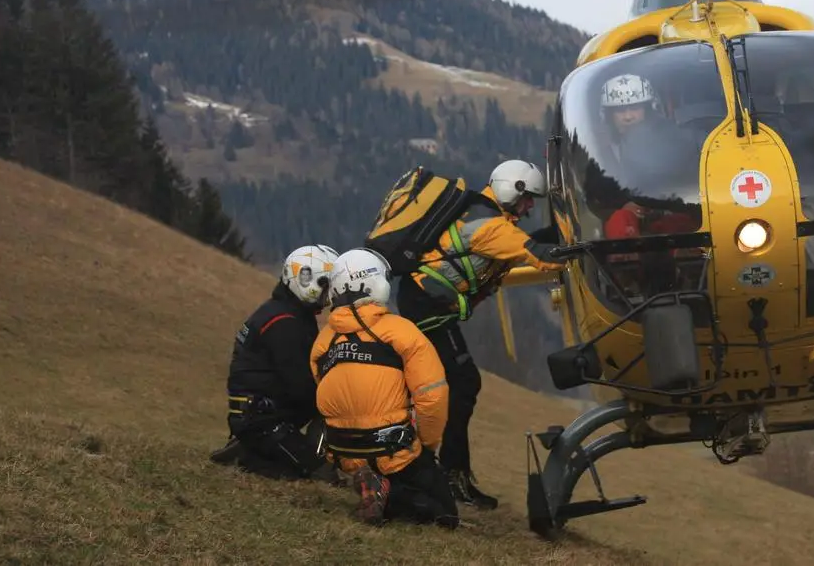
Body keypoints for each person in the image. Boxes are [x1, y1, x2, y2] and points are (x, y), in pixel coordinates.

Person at [396, 159, 567, 509]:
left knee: (450, 382)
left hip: (423, 299)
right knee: (463, 382)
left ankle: (444, 468)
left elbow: (522, 242)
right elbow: (541, 258)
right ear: (511, 191)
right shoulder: (491, 227)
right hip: (426, 305)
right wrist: (586, 251)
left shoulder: (484, 213)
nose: (530, 206)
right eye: (528, 199)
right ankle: (448, 473)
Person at [310, 248, 458, 528]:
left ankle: (371, 482)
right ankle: (388, 492)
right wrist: (426, 445)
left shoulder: (324, 340)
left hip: (343, 450)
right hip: (393, 449)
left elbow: (323, 388)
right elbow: (432, 396)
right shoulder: (403, 332)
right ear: (374, 283)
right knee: (444, 514)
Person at [209, 244, 340, 481]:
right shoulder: (284, 322)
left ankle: (249, 448)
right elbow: (301, 386)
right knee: (317, 474)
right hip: (264, 420)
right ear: (305, 279)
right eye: (325, 285)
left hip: (258, 414)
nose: (329, 295)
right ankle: (250, 454)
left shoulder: (285, 313)